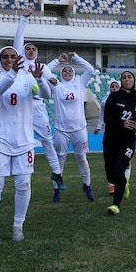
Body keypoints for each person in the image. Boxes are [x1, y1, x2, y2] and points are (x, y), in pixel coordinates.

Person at [0, 46, 51, 244]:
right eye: (5, 57)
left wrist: (39, 79)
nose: (9, 60)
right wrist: (12, 73)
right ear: (0, 60)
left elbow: (46, 94)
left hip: (24, 141)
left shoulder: (28, 79)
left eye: (13, 57)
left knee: (24, 184)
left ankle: (18, 226)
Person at [14, 6, 65, 193]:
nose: (31, 51)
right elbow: (18, 40)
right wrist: (24, 19)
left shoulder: (41, 66)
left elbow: (54, 82)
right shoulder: (19, 62)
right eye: (28, 48)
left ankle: (57, 173)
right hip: (21, 105)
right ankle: (19, 170)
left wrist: (52, 81)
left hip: (37, 106)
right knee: (22, 140)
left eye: (34, 49)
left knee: (47, 141)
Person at [46, 52, 97, 203]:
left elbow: (90, 69)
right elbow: (44, 71)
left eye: (70, 71)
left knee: (81, 157)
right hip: (62, 130)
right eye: (64, 71)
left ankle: (87, 186)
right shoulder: (56, 85)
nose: (67, 72)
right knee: (60, 159)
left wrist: (75, 57)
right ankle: (56, 190)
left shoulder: (79, 84)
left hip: (79, 129)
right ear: (60, 74)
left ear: (74, 74)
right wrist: (57, 60)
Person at [101, 70, 136, 216]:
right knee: (111, 175)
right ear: (121, 81)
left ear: (134, 80)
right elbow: (107, 119)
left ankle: (115, 205)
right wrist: (122, 123)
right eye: (124, 78)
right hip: (110, 140)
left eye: (129, 77)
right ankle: (123, 183)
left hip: (128, 140)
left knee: (119, 169)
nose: (127, 80)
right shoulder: (113, 97)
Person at [95, 80, 129, 195]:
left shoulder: (125, 99)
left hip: (124, 132)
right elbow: (102, 114)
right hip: (110, 132)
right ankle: (112, 185)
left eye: (116, 86)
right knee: (110, 159)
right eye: (112, 86)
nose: (114, 88)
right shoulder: (105, 100)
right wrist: (99, 126)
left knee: (124, 158)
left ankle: (125, 182)